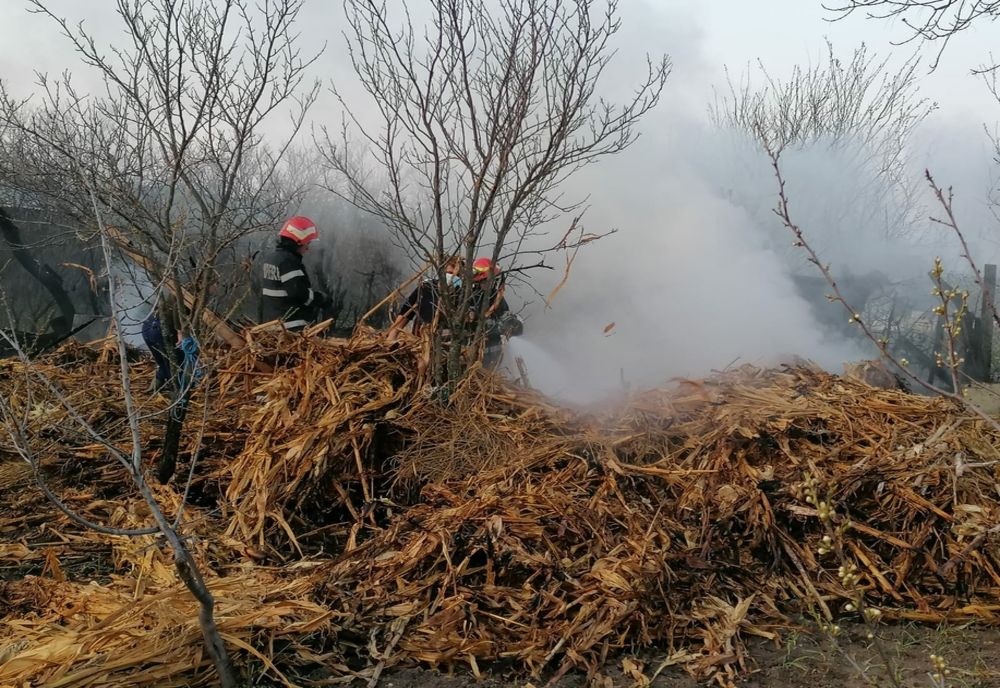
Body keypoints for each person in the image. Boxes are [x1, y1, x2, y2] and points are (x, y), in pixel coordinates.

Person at [260, 216, 330, 331]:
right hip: (291, 326)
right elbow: (299, 293)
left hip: (272, 324)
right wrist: (322, 299)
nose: (307, 248)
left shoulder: (272, 258)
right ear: (298, 241)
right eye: (307, 243)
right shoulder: (288, 262)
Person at [385, 256, 464, 343]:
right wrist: (393, 335)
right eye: (448, 273)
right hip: (422, 336)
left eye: (455, 274)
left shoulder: (464, 292)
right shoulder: (427, 287)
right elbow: (407, 310)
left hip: (449, 338)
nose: (451, 277)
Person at [468, 257, 522, 369]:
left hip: (493, 359)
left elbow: (510, 320)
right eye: (488, 280)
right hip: (471, 359)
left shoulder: (496, 298)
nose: (492, 283)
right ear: (479, 281)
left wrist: (513, 324)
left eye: (494, 280)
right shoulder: (468, 299)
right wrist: (495, 327)